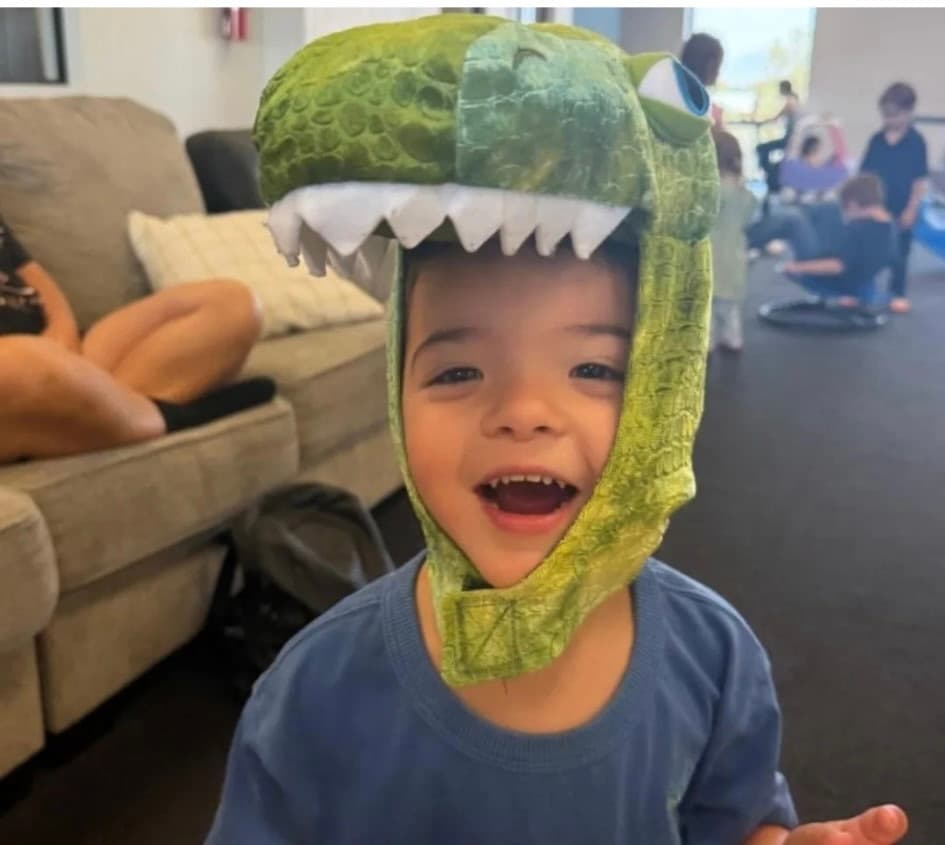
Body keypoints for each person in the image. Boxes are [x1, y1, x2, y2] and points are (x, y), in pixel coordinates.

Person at [207, 15, 909, 844]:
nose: (523, 412)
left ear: (662, 385)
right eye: (458, 372)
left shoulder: (713, 657)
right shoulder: (314, 688)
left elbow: (735, 820)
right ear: (396, 394)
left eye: (593, 371)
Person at [0, 214, 274, 463]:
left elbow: (34, 276)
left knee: (231, 303)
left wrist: (62, 330)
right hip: (16, 372)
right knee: (25, 364)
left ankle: (99, 418)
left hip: (61, 356)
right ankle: (167, 418)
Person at [777, 174, 898, 307]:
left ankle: (843, 296)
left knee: (795, 220)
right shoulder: (890, 226)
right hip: (862, 280)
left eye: (847, 209)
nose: (847, 214)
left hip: (842, 281)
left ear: (854, 205)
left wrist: (795, 267)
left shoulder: (860, 229)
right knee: (825, 210)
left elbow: (838, 266)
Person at [860, 82, 929, 314]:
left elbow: (919, 180)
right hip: (875, 205)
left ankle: (897, 292)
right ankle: (859, 287)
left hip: (903, 205)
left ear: (908, 112)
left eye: (894, 115)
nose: (889, 120)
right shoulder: (876, 140)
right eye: (885, 115)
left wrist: (911, 209)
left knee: (900, 251)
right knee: (867, 247)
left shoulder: (916, 142)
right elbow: (865, 175)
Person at [710, 129, 759, 352]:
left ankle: (707, 344)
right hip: (736, 256)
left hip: (711, 256)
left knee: (706, 308)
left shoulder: (711, 191)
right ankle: (732, 339)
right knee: (729, 307)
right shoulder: (744, 193)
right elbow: (750, 220)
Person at [756, 80, 803, 197]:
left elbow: (777, 117)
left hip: (790, 140)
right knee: (763, 149)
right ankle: (770, 172)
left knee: (761, 148)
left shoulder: (790, 101)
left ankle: (769, 172)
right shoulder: (794, 99)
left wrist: (763, 122)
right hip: (792, 139)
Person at [680, 31, 725, 126]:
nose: (718, 72)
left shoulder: (673, 89)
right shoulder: (705, 111)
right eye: (719, 65)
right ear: (711, 65)